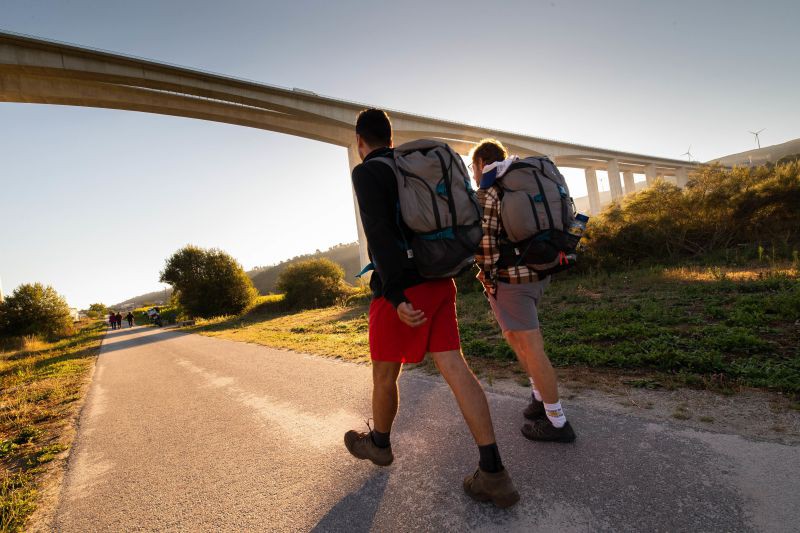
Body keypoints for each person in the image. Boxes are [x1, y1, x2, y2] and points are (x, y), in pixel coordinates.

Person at [344, 109, 519, 508]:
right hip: (442, 279)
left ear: (360, 141)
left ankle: (381, 444)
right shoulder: (410, 166)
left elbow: (381, 236)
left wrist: (397, 295)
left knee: (385, 373)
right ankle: (494, 473)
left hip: (406, 288)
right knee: (455, 367)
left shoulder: (368, 172)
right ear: (391, 137)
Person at [471, 139, 576, 443]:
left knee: (531, 346)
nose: (474, 174)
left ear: (480, 164)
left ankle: (557, 422)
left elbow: (486, 244)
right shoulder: (527, 178)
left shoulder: (491, 189)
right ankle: (538, 398)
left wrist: (486, 275)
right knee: (515, 337)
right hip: (541, 270)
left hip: (512, 281)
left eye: (472, 168)